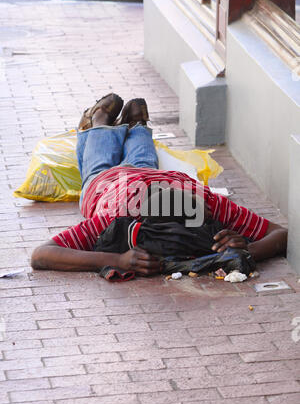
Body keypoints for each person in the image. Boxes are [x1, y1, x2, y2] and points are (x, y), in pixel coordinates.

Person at [31, 93, 288, 276]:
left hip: (142, 174)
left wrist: (243, 249)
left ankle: (122, 123)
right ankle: (104, 123)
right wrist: (117, 259)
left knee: (137, 160)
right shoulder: (117, 215)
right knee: (101, 164)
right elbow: (41, 255)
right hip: (106, 184)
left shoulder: (209, 204)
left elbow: (281, 234)